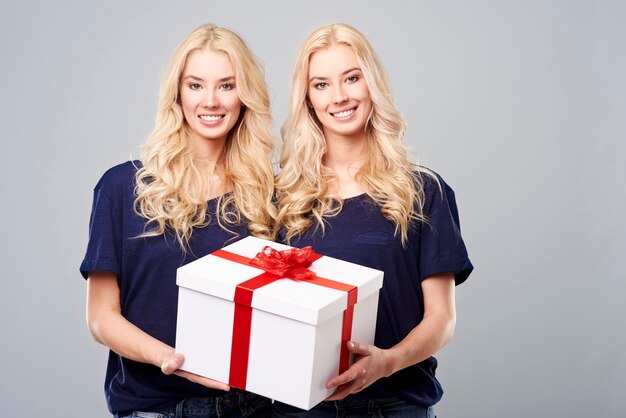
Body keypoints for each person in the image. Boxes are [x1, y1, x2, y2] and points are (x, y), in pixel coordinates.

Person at [273, 23, 473, 418]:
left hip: (395, 404)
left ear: (372, 84)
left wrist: (388, 362)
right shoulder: (280, 195)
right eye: (322, 84)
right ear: (308, 99)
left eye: (352, 78)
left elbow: (441, 318)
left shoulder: (422, 190)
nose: (340, 96)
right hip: (298, 407)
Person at [80, 24, 276, 418]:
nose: (211, 101)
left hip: (252, 408)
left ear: (245, 96)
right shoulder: (123, 188)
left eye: (226, 85)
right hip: (154, 408)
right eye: (196, 85)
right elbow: (101, 317)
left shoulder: (269, 194)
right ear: (178, 93)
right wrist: (169, 358)